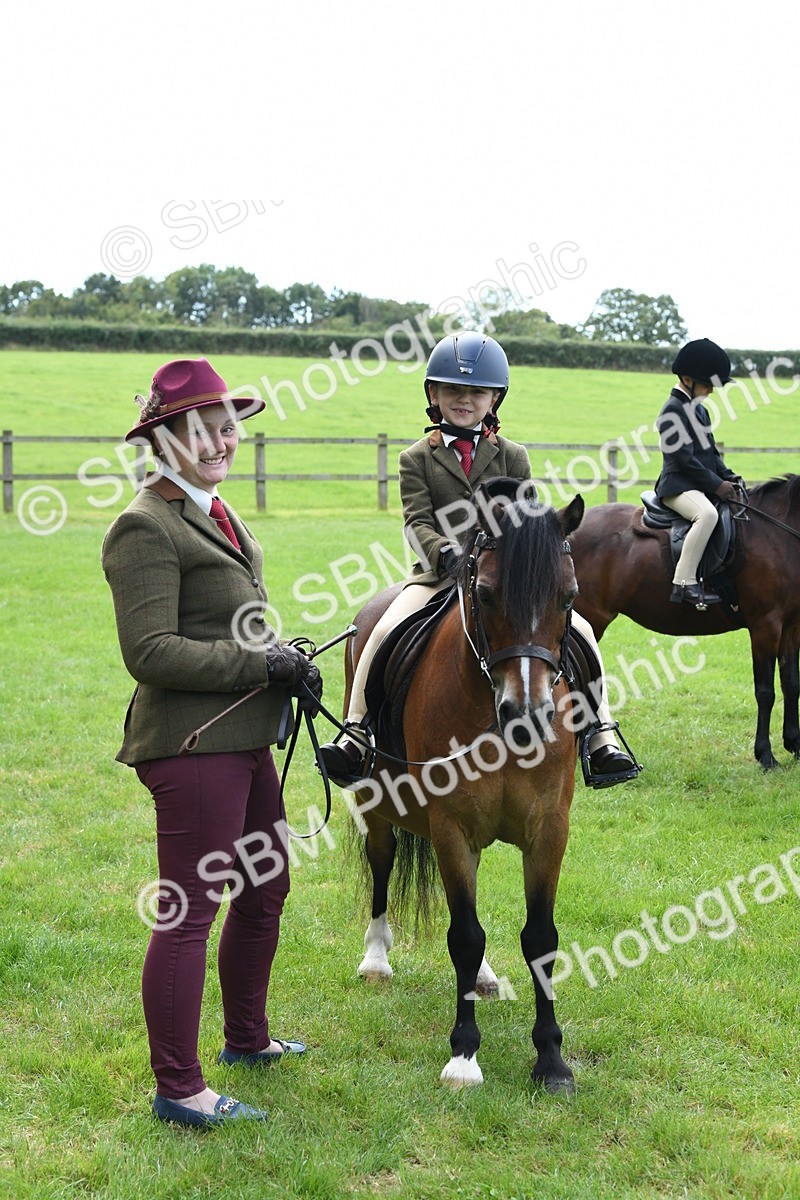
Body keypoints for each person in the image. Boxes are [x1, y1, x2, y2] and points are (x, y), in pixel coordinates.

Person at [102, 357, 321, 1128]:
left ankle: (247, 1042)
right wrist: (256, 662)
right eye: (203, 429)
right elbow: (150, 651)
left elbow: (233, 613)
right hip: (191, 746)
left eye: (229, 427)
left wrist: (284, 665)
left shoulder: (216, 509)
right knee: (190, 910)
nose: (223, 439)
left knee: (267, 889)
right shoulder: (144, 524)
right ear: (164, 438)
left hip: (246, 734)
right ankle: (179, 1088)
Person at [320, 332, 637, 787]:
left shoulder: (513, 456)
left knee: (581, 629)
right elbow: (416, 521)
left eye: (475, 392)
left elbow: (526, 522)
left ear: (494, 399)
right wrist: (444, 553)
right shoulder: (416, 458)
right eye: (453, 390)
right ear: (434, 394)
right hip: (438, 575)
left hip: (500, 578)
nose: (463, 400)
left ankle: (602, 734)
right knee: (382, 629)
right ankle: (355, 732)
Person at [654, 338, 744, 606]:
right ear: (686, 379)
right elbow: (684, 460)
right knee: (706, 514)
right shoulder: (671, 411)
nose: (711, 391)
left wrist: (729, 476)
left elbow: (710, 453)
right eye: (708, 385)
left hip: (697, 484)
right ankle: (683, 583)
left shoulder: (700, 410)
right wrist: (717, 486)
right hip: (677, 486)